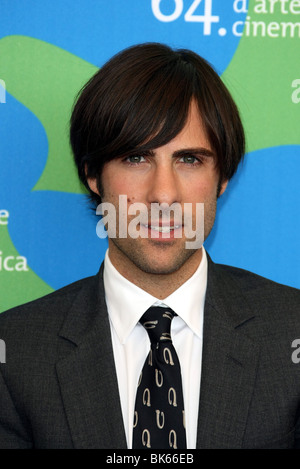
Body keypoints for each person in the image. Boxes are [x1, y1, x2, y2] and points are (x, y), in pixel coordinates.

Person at [0, 42, 299, 449]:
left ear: (222, 177)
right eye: (137, 157)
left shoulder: (291, 332)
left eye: (189, 160)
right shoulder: (14, 353)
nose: (163, 195)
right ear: (92, 175)